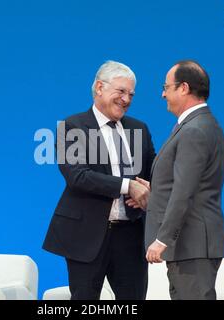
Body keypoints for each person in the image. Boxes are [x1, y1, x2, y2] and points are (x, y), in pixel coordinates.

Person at [42, 60, 156, 300]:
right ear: (99, 88)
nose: (126, 99)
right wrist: (128, 186)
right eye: (121, 91)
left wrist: (149, 188)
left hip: (130, 236)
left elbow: (153, 172)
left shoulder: (139, 128)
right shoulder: (72, 127)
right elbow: (77, 176)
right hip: (86, 235)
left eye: (131, 94)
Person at [144, 60, 224, 300]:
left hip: (193, 245)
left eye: (166, 87)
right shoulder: (199, 124)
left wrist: (162, 239)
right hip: (190, 245)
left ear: (183, 88)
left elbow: (184, 192)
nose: (162, 94)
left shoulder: (194, 130)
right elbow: (185, 182)